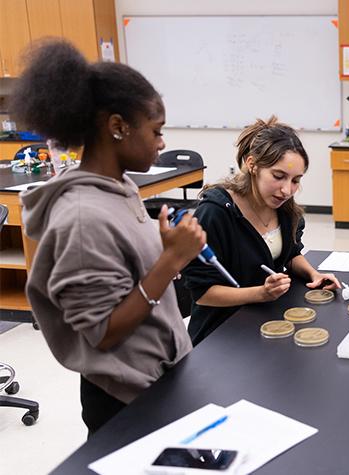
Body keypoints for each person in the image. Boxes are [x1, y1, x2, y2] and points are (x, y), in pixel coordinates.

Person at [12, 40, 206, 435]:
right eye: (156, 131)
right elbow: (102, 332)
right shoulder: (81, 217)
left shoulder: (121, 186)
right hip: (125, 397)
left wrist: (163, 248)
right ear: (118, 127)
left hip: (158, 377)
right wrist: (171, 261)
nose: (162, 142)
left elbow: (123, 272)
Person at [182, 117, 340, 345]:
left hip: (267, 322)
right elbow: (204, 294)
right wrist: (260, 293)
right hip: (222, 333)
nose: (287, 190)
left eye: (296, 180)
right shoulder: (215, 213)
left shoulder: (283, 207)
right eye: (278, 176)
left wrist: (314, 274)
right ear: (252, 164)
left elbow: (291, 253)